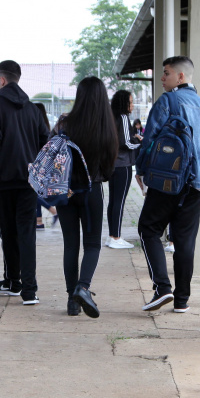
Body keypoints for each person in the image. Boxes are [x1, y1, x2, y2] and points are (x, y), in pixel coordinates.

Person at [136, 56, 200, 314]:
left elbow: (150, 138)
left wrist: (141, 169)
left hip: (167, 179)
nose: (162, 78)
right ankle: (181, 300)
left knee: (148, 228)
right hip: (196, 183)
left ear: (180, 76)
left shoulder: (168, 101)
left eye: (166, 73)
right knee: (184, 240)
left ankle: (162, 288)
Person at [0, 60, 50, 305]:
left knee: (8, 231)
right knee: (26, 233)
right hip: (28, 180)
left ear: (1, 80)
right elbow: (45, 143)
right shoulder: (32, 108)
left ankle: (13, 282)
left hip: (3, 179)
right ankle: (28, 290)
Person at [53, 77, 117, 317]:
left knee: (71, 244)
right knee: (92, 244)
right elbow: (110, 168)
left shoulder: (64, 124)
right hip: (92, 192)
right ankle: (83, 287)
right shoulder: (106, 126)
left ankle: (72, 301)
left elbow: (50, 154)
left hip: (65, 192)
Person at [105, 90, 140, 249]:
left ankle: (111, 236)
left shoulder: (110, 117)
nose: (132, 105)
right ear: (123, 103)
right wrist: (141, 143)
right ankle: (116, 237)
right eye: (130, 102)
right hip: (123, 165)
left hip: (112, 164)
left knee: (113, 201)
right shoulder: (124, 117)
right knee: (119, 201)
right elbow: (126, 142)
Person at [33, 103, 59, 230]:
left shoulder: (36, 128)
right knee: (35, 191)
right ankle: (38, 221)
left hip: (37, 164)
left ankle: (53, 211)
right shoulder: (45, 127)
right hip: (44, 164)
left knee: (33, 192)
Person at [132, 118, 147, 194]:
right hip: (136, 152)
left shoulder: (143, 130)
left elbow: (144, 139)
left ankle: (144, 189)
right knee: (138, 174)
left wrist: (139, 137)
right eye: (136, 125)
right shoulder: (132, 131)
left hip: (142, 152)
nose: (138, 126)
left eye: (139, 124)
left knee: (141, 173)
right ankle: (143, 189)